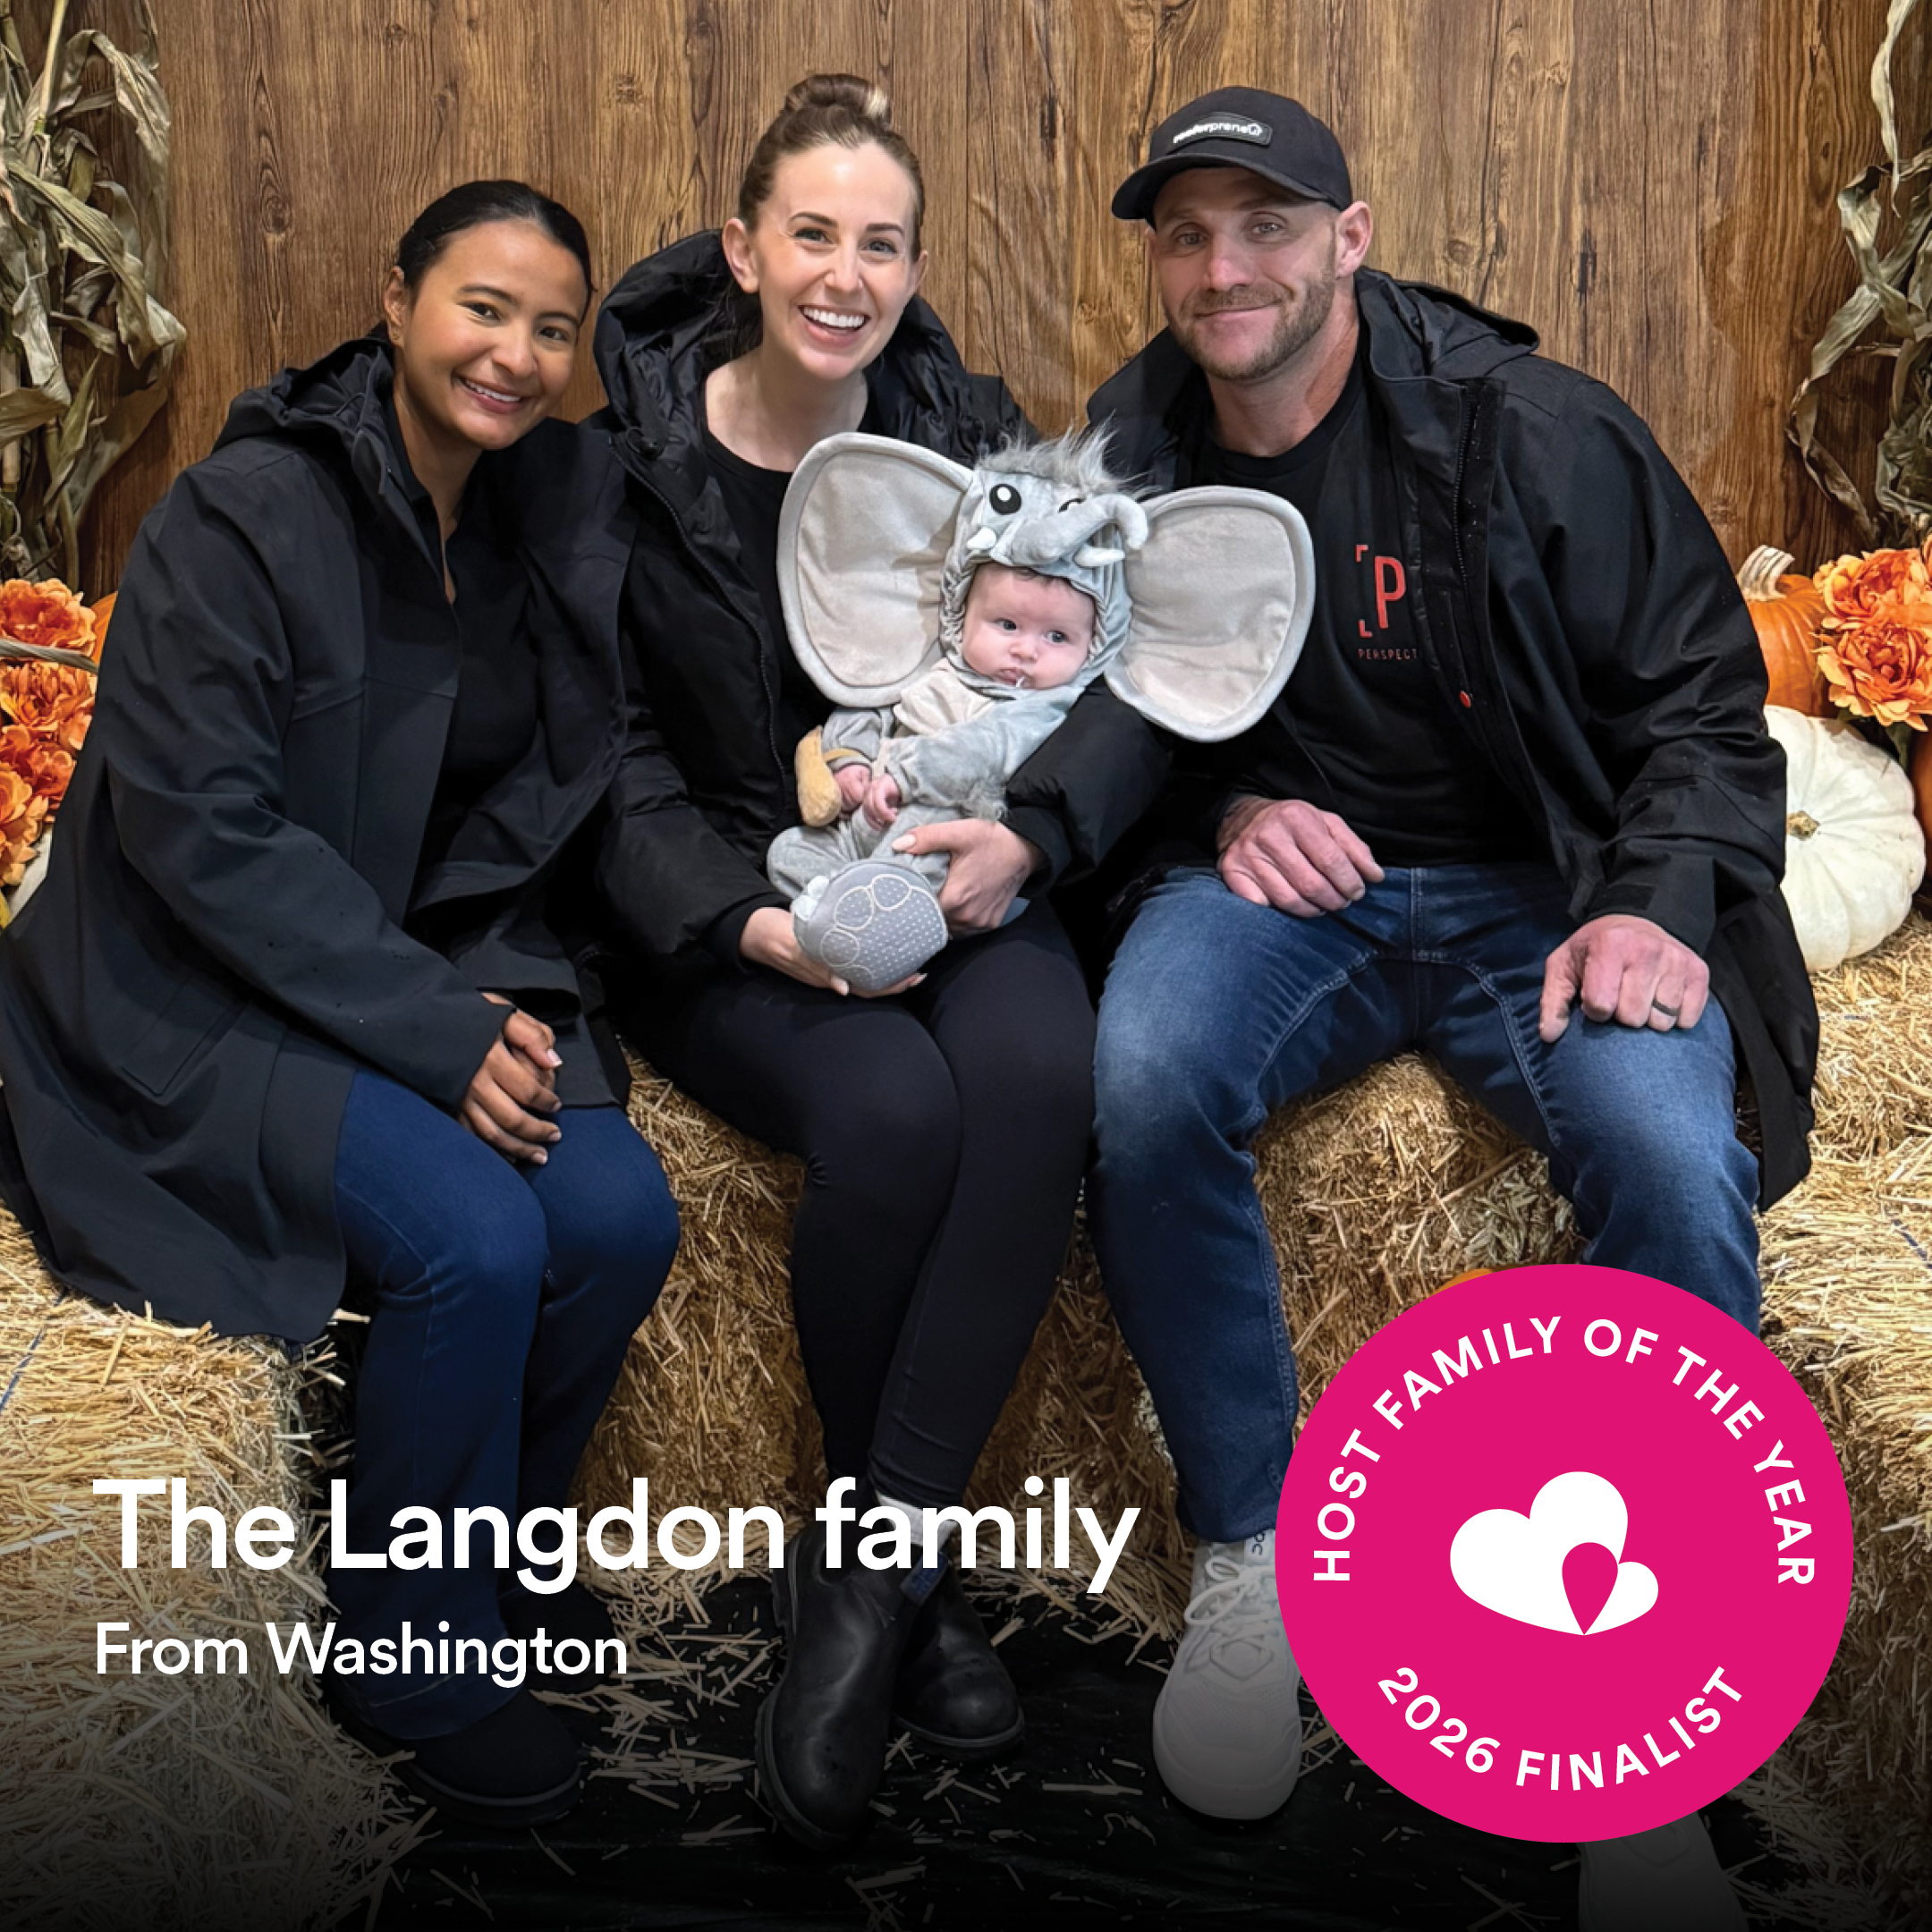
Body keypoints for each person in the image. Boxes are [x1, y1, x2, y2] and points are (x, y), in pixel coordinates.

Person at [1069, 88, 1817, 1928]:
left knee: (1668, 1149)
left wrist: (1651, 902)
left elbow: (1705, 710)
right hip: (1294, 902)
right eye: (1186, 233)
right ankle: (1251, 1562)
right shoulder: (1132, 455)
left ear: (1351, 237)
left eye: (1266, 224)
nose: (1224, 267)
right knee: (1143, 1076)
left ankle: (1641, 1706)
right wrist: (1226, 808)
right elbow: (1090, 719)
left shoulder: (1529, 430)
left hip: (1539, 891)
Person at [0, 182, 680, 1828]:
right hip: (186, 980)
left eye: (553, 329)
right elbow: (201, 836)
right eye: (481, 308)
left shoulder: (522, 522)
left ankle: (490, 1555)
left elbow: (506, 800)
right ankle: (408, 1657)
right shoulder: (242, 516)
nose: (515, 355)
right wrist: (435, 1032)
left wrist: (479, 979)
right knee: (474, 1237)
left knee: (617, 1218)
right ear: (394, 298)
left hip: (400, 954)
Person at [584, 75, 1121, 1851]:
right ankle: (912, 1579)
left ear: (911, 270)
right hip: (734, 902)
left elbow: (1096, 667)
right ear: (742, 251)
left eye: (881, 243)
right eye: (811, 233)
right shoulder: (627, 468)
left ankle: (872, 1572)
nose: (847, 273)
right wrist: (754, 924)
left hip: (955, 862)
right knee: (893, 1112)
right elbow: (607, 760)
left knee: (1041, 1077)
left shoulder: (972, 440)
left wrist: (1028, 839)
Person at [769, 427, 1146, 990]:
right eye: (1007, 624)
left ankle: (885, 932)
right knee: (788, 852)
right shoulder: (931, 666)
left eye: (1057, 638)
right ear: (960, 612)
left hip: (950, 839)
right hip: (864, 825)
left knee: (922, 842)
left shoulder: (1039, 707)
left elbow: (980, 751)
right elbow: (865, 709)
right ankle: (833, 912)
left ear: (1094, 645)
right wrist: (850, 762)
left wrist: (902, 774)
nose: (1026, 651)